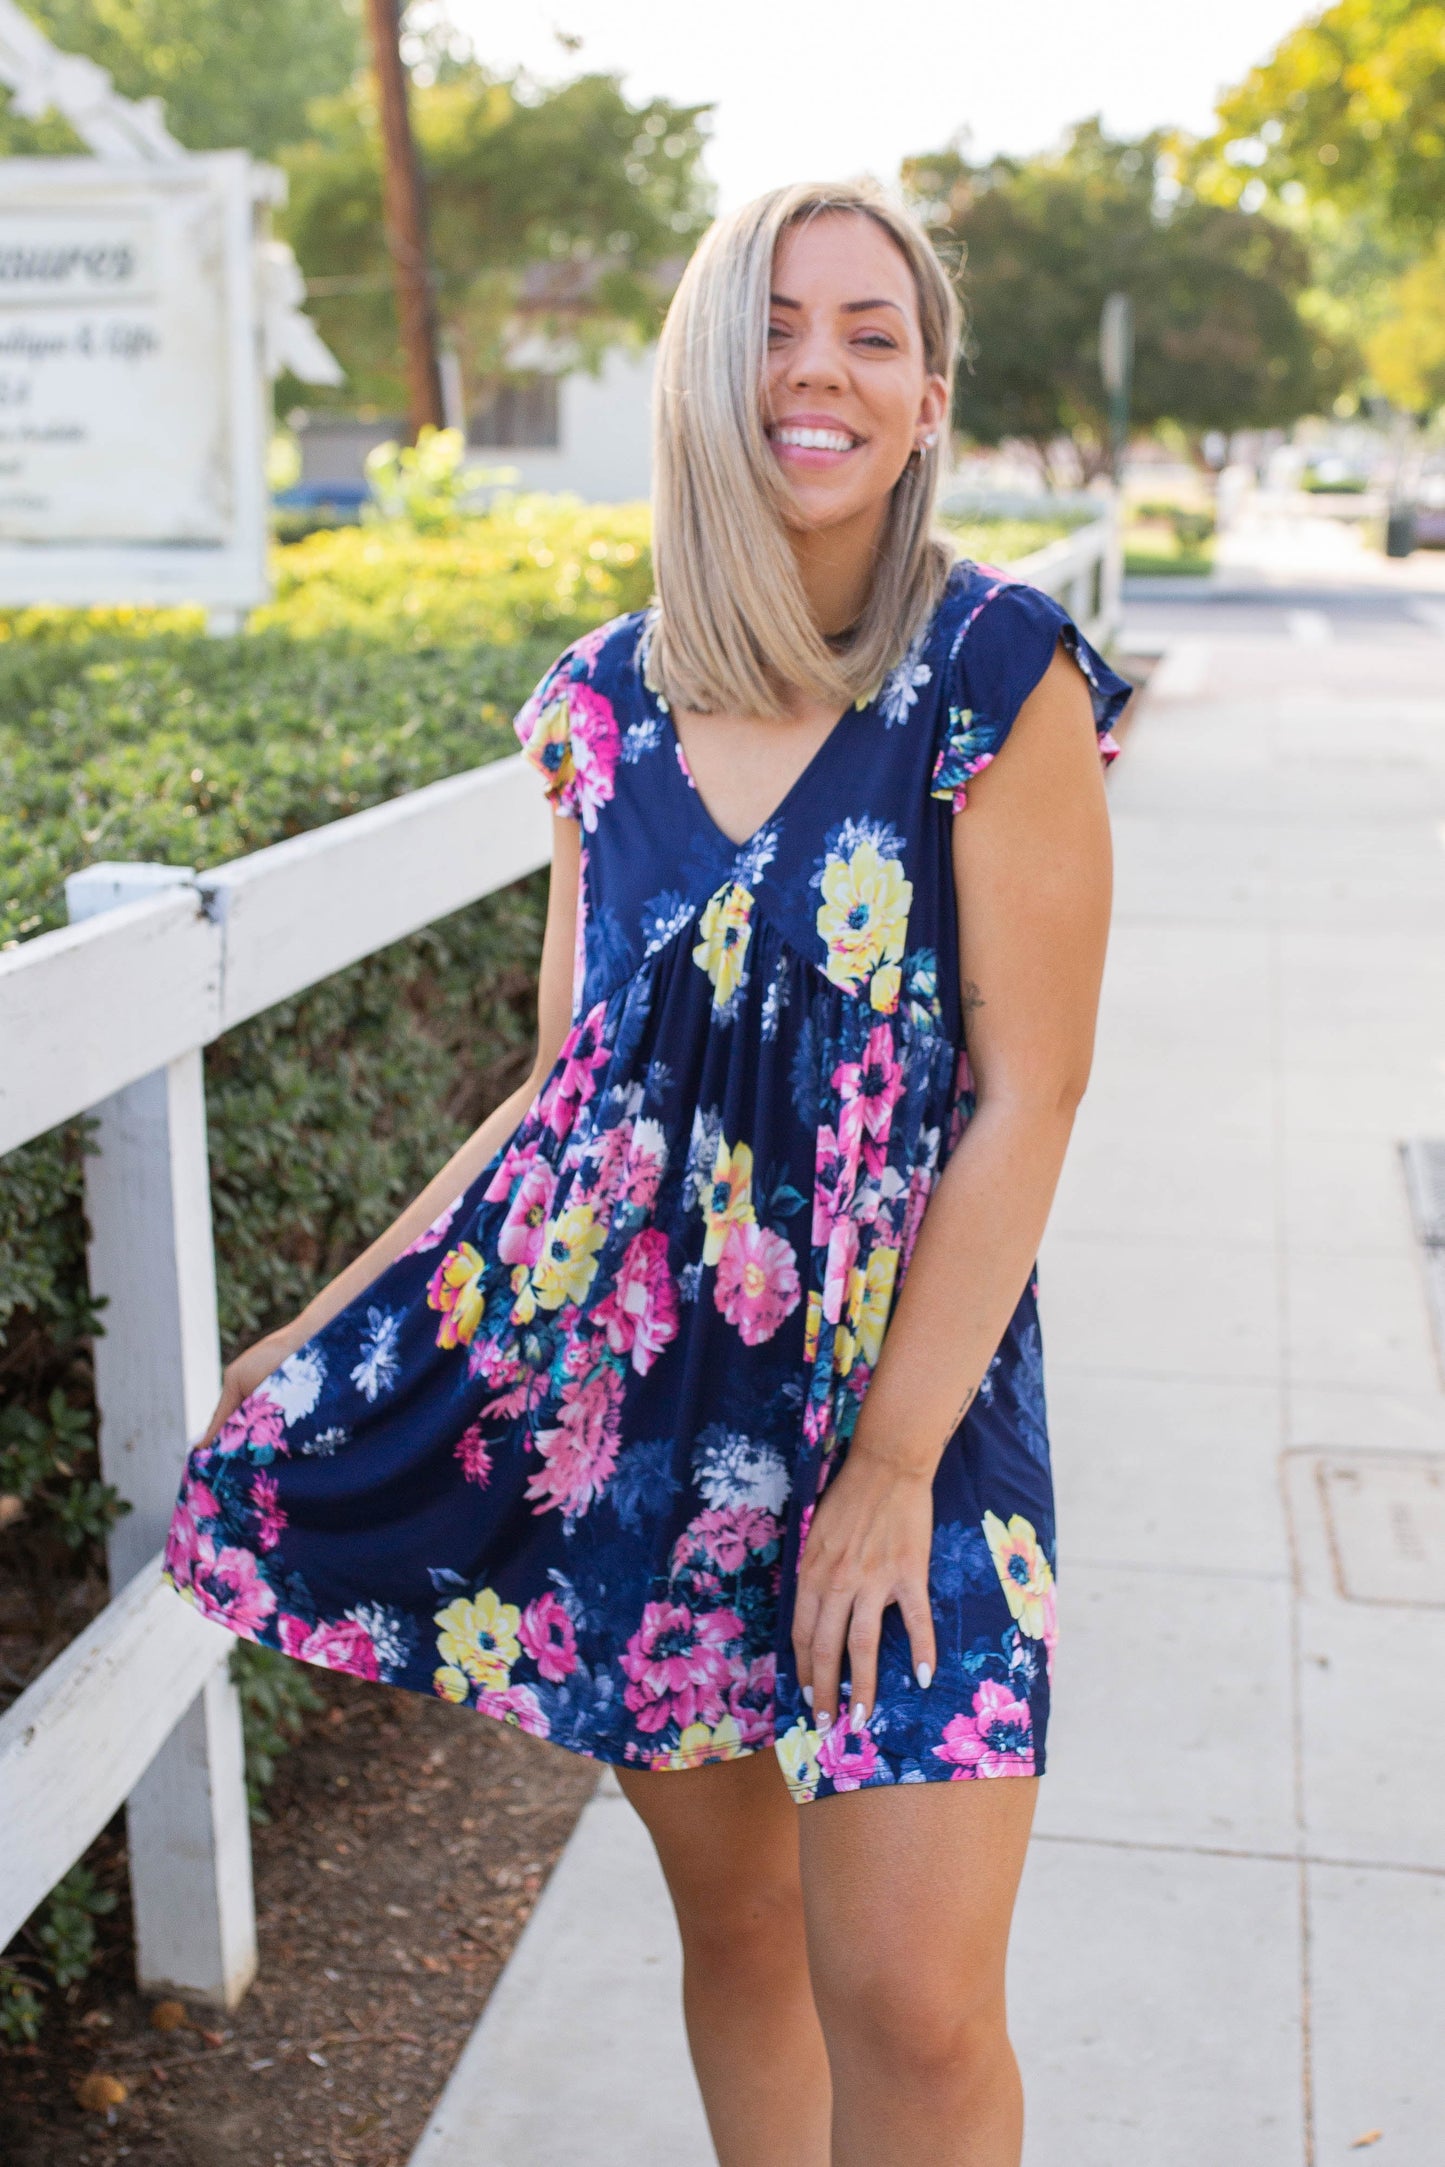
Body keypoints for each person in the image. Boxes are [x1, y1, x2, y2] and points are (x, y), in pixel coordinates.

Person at [165, 178, 1123, 2166]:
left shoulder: (994, 675)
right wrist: (326, 1325)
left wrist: (886, 1469)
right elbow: (564, 1088)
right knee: (749, 1932)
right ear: (708, 370)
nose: (818, 367)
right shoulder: (603, 704)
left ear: (929, 393)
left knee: (919, 2004)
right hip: (651, 1427)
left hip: (909, 1420)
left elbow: (1030, 1095)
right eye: (778, 322)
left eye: (872, 329)